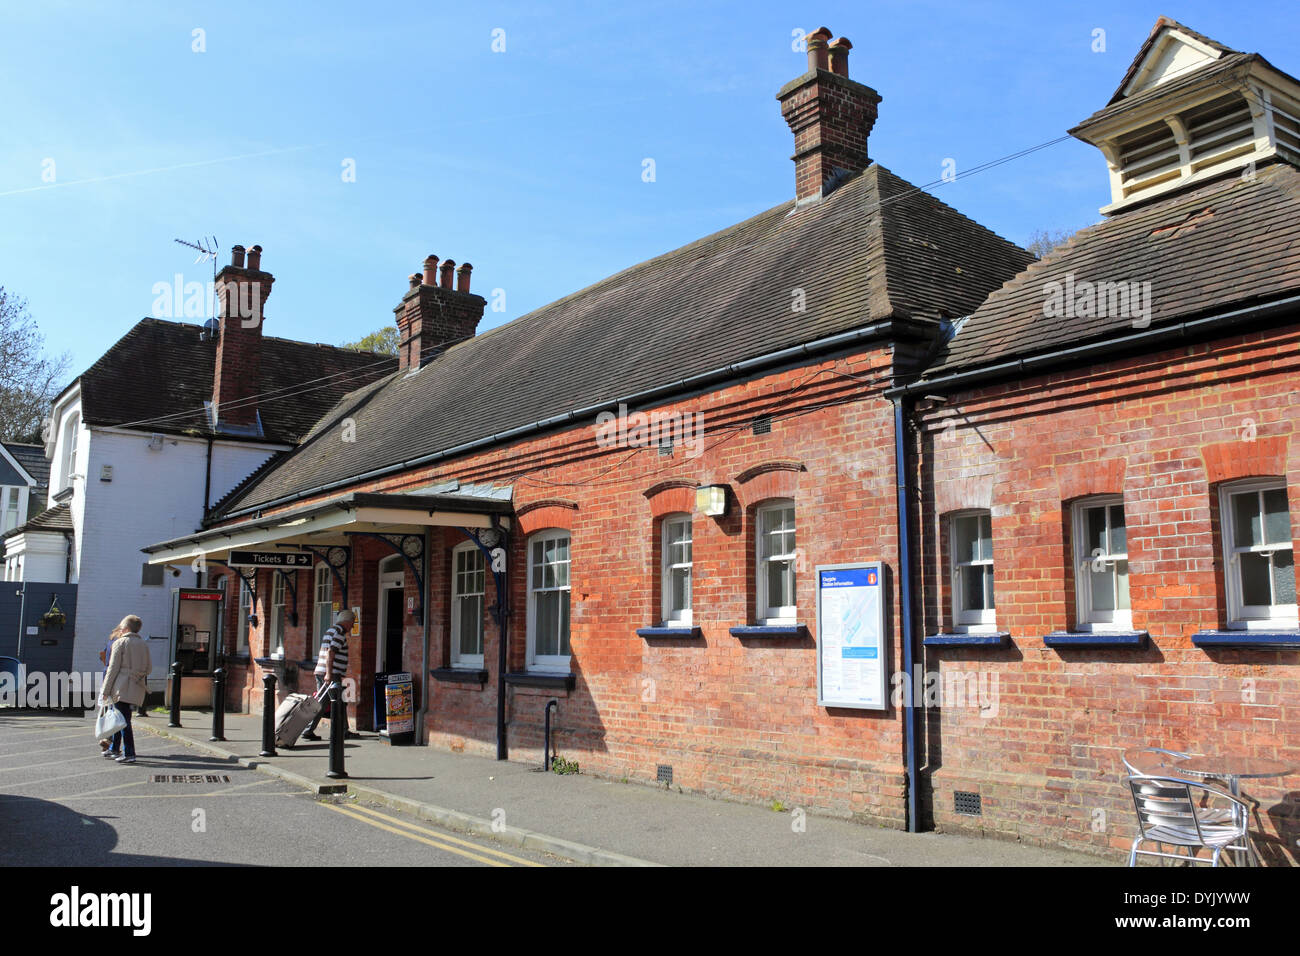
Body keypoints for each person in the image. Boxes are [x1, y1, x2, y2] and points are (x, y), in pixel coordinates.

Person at [99, 615, 151, 764]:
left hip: (121, 686)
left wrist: (105, 690)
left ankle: (129, 753)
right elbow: (149, 668)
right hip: (136, 686)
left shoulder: (120, 643)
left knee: (123, 721)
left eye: (121, 628)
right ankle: (115, 748)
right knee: (120, 718)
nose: (120, 630)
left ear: (126, 629)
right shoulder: (143, 644)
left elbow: (112, 669)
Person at [302, 609, 357, 741]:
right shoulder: (339, 633)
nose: (353, 626)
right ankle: (308, 730)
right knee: (323, 703)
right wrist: (329, 674)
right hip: (331, 673)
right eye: (352, 623)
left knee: (339, 701)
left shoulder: (330, 631)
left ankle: (343, 730)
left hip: (325, 672)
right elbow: (330, 653)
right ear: (347, 622)